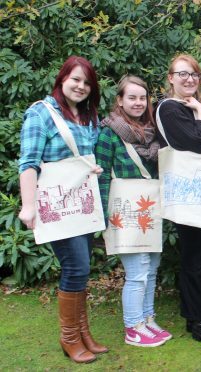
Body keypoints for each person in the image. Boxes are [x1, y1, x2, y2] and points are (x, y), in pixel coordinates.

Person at [18, 56, 108, 363]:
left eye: (87, 82)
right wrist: (28, 206)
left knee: (82, 268)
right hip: (56, 204)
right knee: (76, 267)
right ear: (62, 80)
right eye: (75, 79)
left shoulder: (87, 116)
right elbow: (28, 163)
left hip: (81, 204)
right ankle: (69, 337)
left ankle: (83, 333)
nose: (81, 86)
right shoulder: (40, 114)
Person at [157, 54, 201, 347]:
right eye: (183, 74)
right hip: (188, 195)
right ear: (171, 78)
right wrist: (200, 117)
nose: (189, 79)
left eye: (194, 75)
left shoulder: (198, 107)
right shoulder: (169, 109)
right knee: (195, 258)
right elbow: (197, 142)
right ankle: (197, 321)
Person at [95, 75, 171, 347]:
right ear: (120, 100)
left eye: (143, 97)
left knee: (151, 268)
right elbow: (101, 176)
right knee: (137, 271)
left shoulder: (151, 132)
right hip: (123, 210)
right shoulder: (109, 132)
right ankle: (133, 327)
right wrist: (102, 217)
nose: (139, 103)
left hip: (149, 209)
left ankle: (147, 319)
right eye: (132, 97)